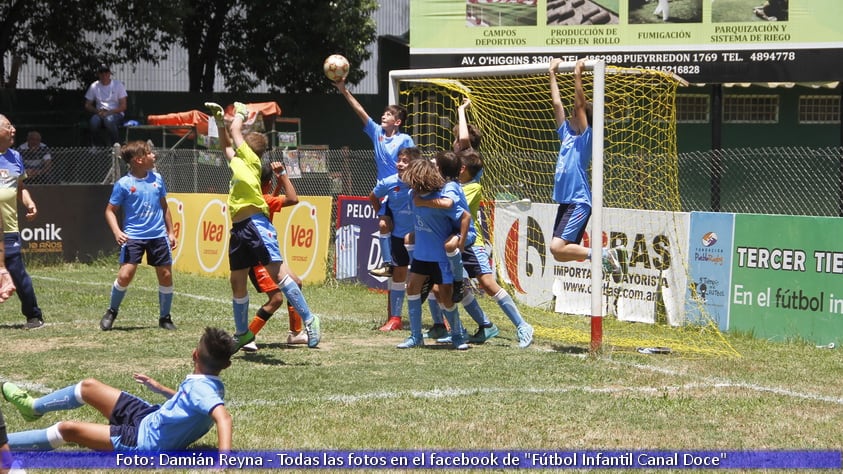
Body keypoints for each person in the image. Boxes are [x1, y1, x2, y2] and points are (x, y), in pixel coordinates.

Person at [1, 327, 235, 452]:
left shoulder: (204, 391)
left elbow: (223, 418)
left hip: (143, 441)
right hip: (148, 417)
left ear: (194, 354)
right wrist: (161, 388)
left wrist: (222, 463)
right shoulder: (207, 385)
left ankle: (5, 442)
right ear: (227, 365)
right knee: (88, 387)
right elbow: (192, 403)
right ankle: (33, 408)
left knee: (67, 430)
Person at [204, 101, 320, 350]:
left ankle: (309, 319)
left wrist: (239, 113)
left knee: (279, 275)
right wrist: (217, 122)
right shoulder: (238, 162)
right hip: (239, 228)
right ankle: (243, 333)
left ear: (249, 148)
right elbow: (226, 144)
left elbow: (235, 132)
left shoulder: (253, 162)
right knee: (236, 281)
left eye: (244, 141)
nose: (240, 141)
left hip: (254, 223)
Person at [547, 58, 623, 282]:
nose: (570, 116)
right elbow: (557, 105)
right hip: (566, 202)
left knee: (556, 247)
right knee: (559, 254)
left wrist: (577, 75)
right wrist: (552, 74)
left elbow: (579, 106)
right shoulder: (567, 136)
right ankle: (602, 256)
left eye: (575, 114)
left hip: (579, 201)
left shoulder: (587, 138)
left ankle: (602, 254)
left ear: (583, 120)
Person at [333, 77, 415, 278]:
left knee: (408, 233)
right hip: (384, 190)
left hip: (403, 189)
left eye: (388, 114)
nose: (383, 116)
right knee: (383, 224)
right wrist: (344, 90)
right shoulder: (377, 132)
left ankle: (418, 264)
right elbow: (360, 111)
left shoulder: (404, 139)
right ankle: (388, 264)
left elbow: (414, 161)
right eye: (384, 113)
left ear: (397, 121)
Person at [100, 141, 177, 331]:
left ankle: (165, 317)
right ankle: (112, 311)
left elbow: (164, 206)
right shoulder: (124, 184)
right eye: (150, 153)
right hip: (133, 236)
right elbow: (110, 211)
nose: (154, 156)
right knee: (125, 275)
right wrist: (118, 232)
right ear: (139, 160)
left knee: (166, 275)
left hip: (158, 236)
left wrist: (171, 231)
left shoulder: (157, 179)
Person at [398, 157, 471, 350]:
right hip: (422, 255)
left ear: (420, 178)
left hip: (440, 257)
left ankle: (457, 335)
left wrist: (461, 242)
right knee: (412, 288)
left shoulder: (439, 198)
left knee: (446, 297)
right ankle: (415, 337)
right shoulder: (412, 195)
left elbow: (465, 216)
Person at [241, 160, 308, 351]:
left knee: (296, 283)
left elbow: (270, 198)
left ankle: (295, 334)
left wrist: (276, 183)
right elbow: (293, 199)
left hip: (263, 255)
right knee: (276, 299)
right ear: (268, 183)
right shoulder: (265, 201)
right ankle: (247, 336)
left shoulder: (253, 197)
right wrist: (284, 174)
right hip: (259, 258)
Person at [0, 115, 44, 329]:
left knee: (17, 273)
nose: (14, 129)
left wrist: (29, 202)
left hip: (9, 230)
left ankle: (34, 316)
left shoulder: (15, 156)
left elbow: (19, 187)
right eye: (8, 126)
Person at [369, 147, 419, 331]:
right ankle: (395, 318)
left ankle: (442, 321)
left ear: (414, 165)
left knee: (428, 277)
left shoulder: (421, 183)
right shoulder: (389, 182)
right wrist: (383, 215)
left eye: (405, 161)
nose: (400, 164)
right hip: (398, 235)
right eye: (399, 160)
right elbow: (373, 196)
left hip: (419, 238)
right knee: (399, 275)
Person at [84, 63, 128, 146]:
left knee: (109, 120)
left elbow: (123, 106)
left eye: (106, 72)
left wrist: (109, 112)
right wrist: (97, 111)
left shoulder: (118, 85)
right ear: (98, 74)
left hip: (116, 113)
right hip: (99, 113)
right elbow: (87, 105)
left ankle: (116, 145)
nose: (104, 74)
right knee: (93, 122)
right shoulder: (94, 86)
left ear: (109, 73)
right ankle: (97, 146)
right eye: (101, 72)